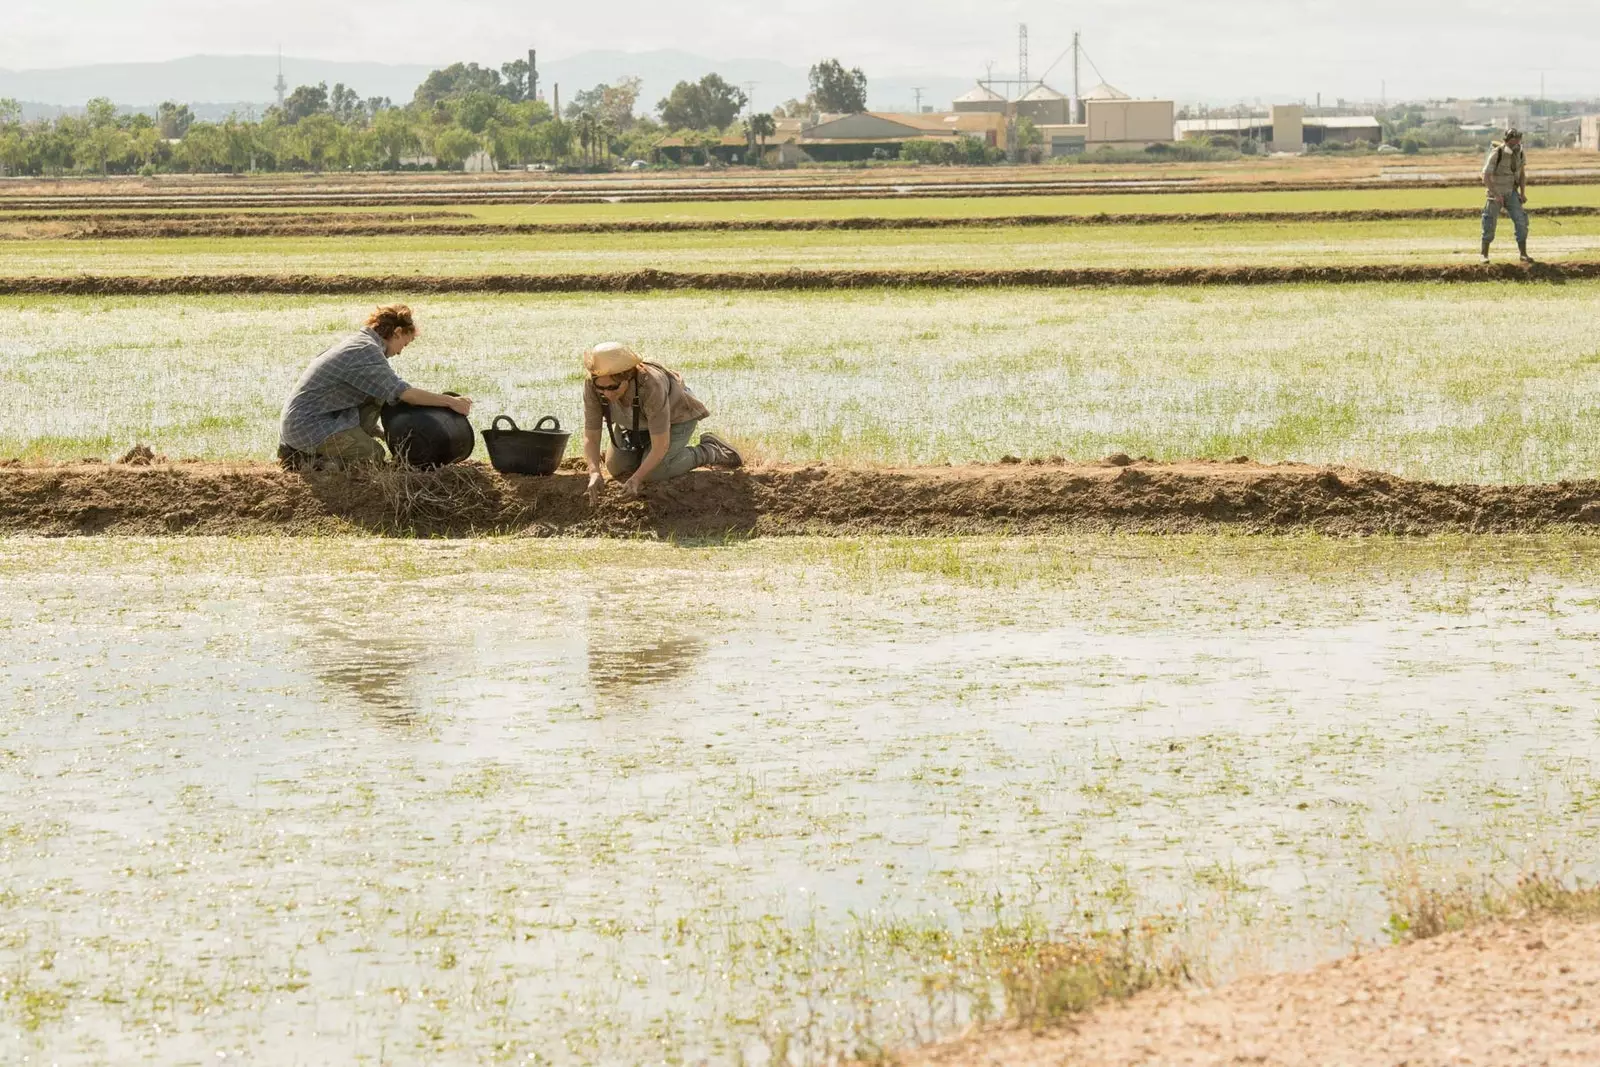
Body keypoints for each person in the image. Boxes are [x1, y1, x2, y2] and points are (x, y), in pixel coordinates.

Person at [277, 304, 472, 468]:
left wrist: (379, 431)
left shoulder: (363, 344)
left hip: (318, 418)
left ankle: (325, 451)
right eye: (405, 343)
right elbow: (405, 393)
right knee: (374, 456)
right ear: (397, 332)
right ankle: (311, 461)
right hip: (307, 427)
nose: (401, 352)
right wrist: (449, 402)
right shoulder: (365, 351)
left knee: (381, 394)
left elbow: (386, 392)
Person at [581, 342, 742, 500]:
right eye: (601, 388)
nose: (606, 394)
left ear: (628, 376)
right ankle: (643, 454)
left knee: (655, 473)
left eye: (612, 387)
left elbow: (660, 445)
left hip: (675, 420)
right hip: (634, 424)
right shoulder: (592, 384)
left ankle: (710, 450)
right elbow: (591, 436)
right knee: (617, 468)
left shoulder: (651, 384)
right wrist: (594, 472)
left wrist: (637, 478)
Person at [1481, 127, 1532, 265]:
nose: (1516, 143)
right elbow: (1485, 177)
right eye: (1513, 140)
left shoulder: (1520, 154)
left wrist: (1522, 193)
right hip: (1495, 194)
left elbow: (1521, 174)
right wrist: (1496, 194)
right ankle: (1484, 255)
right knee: (1489, 222)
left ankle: (1523, 254)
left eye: (1518, 140)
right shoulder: (1496, 153)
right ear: (1507, 140)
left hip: (1512, 193)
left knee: (1521, 222)